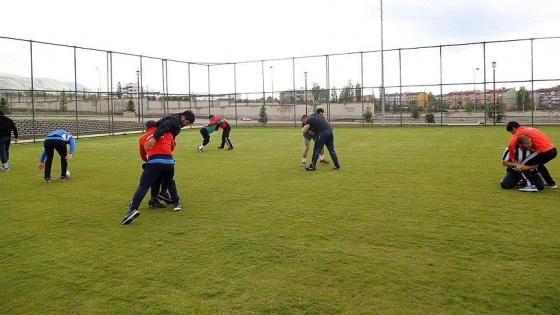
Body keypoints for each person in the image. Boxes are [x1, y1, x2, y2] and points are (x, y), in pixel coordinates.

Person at [122, 124, 182, 225]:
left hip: (154, 162)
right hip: (169, 162)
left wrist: (151, 160)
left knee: (143, 186)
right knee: (169, 182)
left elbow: (143, 155)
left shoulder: (143, 137)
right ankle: (176, 204)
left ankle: (132, 210)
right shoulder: (167, 133)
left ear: (146, 128)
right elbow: (172, 147)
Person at [506, 121, 557, 188]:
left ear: (513, 128)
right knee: (539, 165)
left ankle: (531, 186)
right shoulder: (531, 129)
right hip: (553, 150)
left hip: (543, 151)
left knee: (522, 165)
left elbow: (510, 145)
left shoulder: (519, 132)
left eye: (511, 132)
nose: (512, 134)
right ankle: (551, 183)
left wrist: (512, 157)